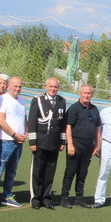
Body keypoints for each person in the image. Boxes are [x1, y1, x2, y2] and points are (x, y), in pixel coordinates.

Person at [27, 77, 66, 209]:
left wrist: (62, 140)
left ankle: (46, 198)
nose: (53, 89)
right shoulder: (38, 100)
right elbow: (32, 121)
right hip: (40, 141)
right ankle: (36, 198)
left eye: (55, 87)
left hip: (54, 142)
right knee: (37, 171)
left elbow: (62, 122)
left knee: (50, 171)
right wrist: (32, 141)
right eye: (51, 86)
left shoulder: (61, 101)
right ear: (46, 87)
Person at [0, 76, 27, 208]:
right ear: (9, 86)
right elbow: (1, 121)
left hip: (19, 142)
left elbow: (24, 119)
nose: (17, 89)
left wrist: (25, 133)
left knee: (12, 171)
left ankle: (7, 196)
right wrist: (14, 134)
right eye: (15, 86)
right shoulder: (2, 99)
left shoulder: (22, 101)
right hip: (6, 141)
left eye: (20, 86)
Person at [61, 84, 101, 209]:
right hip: (75, 144)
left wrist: (97, 145)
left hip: (88, 146)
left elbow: (98, 128)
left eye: (89, 93)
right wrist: (70, 144)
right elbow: (68, 126)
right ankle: (64, 198)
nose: (87, 95)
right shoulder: (74, 108)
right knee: (70, 172)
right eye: (85, 93)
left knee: (83, 173)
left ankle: (79, 198)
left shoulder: (94, 109)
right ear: (80, 94)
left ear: (92, 95)